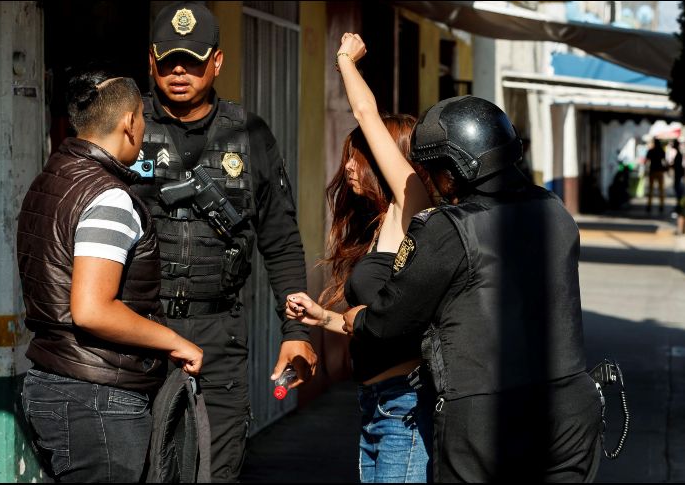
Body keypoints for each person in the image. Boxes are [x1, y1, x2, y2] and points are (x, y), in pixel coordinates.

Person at [343, 96, 603, 482]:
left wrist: (358, 320)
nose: (431, 180)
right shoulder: (554, 210)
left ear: (456, 169)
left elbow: (390, 320)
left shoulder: (450, 227)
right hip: (569, 409)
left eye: (434, 170)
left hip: (487, 418)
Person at [131, 2, 317, 481]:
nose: (178, 71)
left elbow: (281, 242)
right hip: (137, 333)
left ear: (217, 62)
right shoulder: (124, 129)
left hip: (218, 335)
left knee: (218, 468)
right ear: (151, 61)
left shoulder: (250, 135)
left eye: (192, 61)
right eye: (168, 59)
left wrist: (297, 334)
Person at [17, 71, 203, 482]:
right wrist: (175, 341)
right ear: (130, 123)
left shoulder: (50, 179)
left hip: (60, 382)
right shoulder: (108, 197)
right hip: (96, 396)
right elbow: (92, 310)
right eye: (142, 117)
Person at [285, 33, 434, 483]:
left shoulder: (415, 206)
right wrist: (322, 318)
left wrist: (346, 60)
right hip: (375, 405)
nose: (347, 166)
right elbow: (377, 318)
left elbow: (367, 113)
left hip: (405, 407)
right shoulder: (381, 225)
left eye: (359, 155)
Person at [645, 138, 667, 213]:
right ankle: (661, 205)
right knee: (661, 189)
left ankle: (649, 205)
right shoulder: (661, 151)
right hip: (659, 171)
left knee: (651, 189)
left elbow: (647, 161)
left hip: (653, 171)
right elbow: (664, 161)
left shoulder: (651, 151)